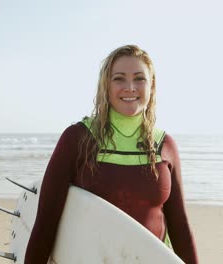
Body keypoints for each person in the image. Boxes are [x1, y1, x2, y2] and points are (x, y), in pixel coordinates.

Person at [25, 45, 198, 263]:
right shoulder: (78, 139)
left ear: (151, 85)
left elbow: (180, 229)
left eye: (139, 79)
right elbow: (46, 223)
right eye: (119, 79)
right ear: (106, 85)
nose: (130, 87)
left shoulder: (165, 145)